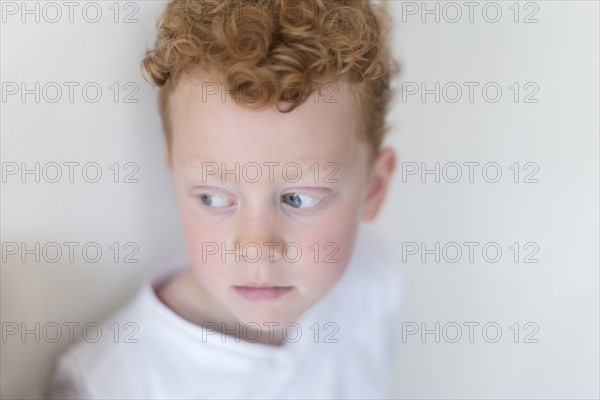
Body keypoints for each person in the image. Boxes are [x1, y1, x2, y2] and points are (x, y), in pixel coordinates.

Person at [50, 0, 402, 398]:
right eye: (213, 199)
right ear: (175, 180)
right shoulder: (110, 383)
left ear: (373, 188)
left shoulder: (373, 285)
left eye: (300, 199)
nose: (256, 249)